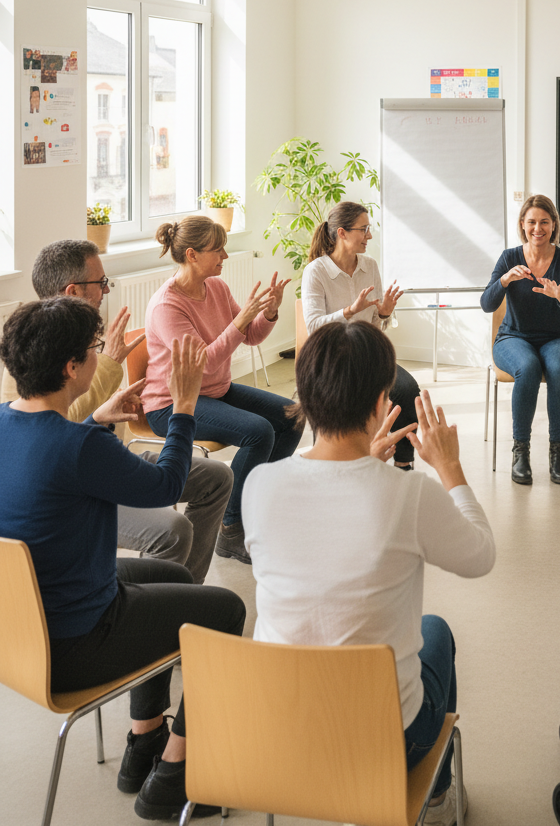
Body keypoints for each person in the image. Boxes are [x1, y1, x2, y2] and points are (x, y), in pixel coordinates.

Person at [0, 298, 246, 821]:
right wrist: (183, 407)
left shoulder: (8, 423)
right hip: (73, 642)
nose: (98, 356)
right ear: (71, 368)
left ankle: (144, 742)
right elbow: (168, 485)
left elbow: (55, 457)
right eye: (93, 349)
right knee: (224, 609)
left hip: (21, 630)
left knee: (174, 576)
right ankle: (174, 778)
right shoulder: (80, 447)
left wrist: (95, 418)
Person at [243, 320, 495, 826]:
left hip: (275, 734)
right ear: (382, 400)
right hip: (379, 742)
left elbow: (323, 524)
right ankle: (438, 799)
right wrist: (449, 469)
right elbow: (480, 555)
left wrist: (364, 464)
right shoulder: (410, 495)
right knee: (436, 631)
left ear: (305, 395)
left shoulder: (259, 484)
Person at [0, 239, 232, 585]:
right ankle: (163, 612)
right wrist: (181, 404)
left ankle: (183, 593)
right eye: (101, 283)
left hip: (101, 455)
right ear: (73, 289)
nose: (106, 290)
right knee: (174, 529)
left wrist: (100, 415)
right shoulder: (38, 346)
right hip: (81, 472)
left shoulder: (75, 336)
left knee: (216, 477)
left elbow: (64, 431)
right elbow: (52, 434)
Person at [142, 215, 303, 565]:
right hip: (171, 404)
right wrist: (241, 319)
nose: (225, 257)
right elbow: (206, 363)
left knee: (293, 416)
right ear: (192, 254)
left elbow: (251, 337)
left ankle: (255, 507)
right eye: (218, 251)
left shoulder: (216, 287)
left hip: (214, 390)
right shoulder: (167, 306)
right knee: (259, 432)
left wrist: (269, 313)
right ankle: (230, 529)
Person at [480, 194, 560, 485]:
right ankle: (521, 451)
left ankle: (557, 452)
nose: (537, 228)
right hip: (513, 338)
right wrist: (504, 280)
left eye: (544, 222)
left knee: (557, 367)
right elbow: (487, 304)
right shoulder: (509, 257)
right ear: (522, 225)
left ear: (554, 226)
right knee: (527, 367)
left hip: (557, 339)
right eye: (531, 222)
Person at [301, 200, 415, 468]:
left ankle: (403, 465)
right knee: (343, 397)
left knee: (409, 391)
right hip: (332, 359)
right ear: (342, 233)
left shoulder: (369, 265)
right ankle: (335, 463)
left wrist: (384, 313)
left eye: (369, 229)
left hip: (366, 354)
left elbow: (375, 325)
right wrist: (349, 311)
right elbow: (314, 327)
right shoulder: (315, 272)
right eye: (363, 230)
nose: (369, 236)